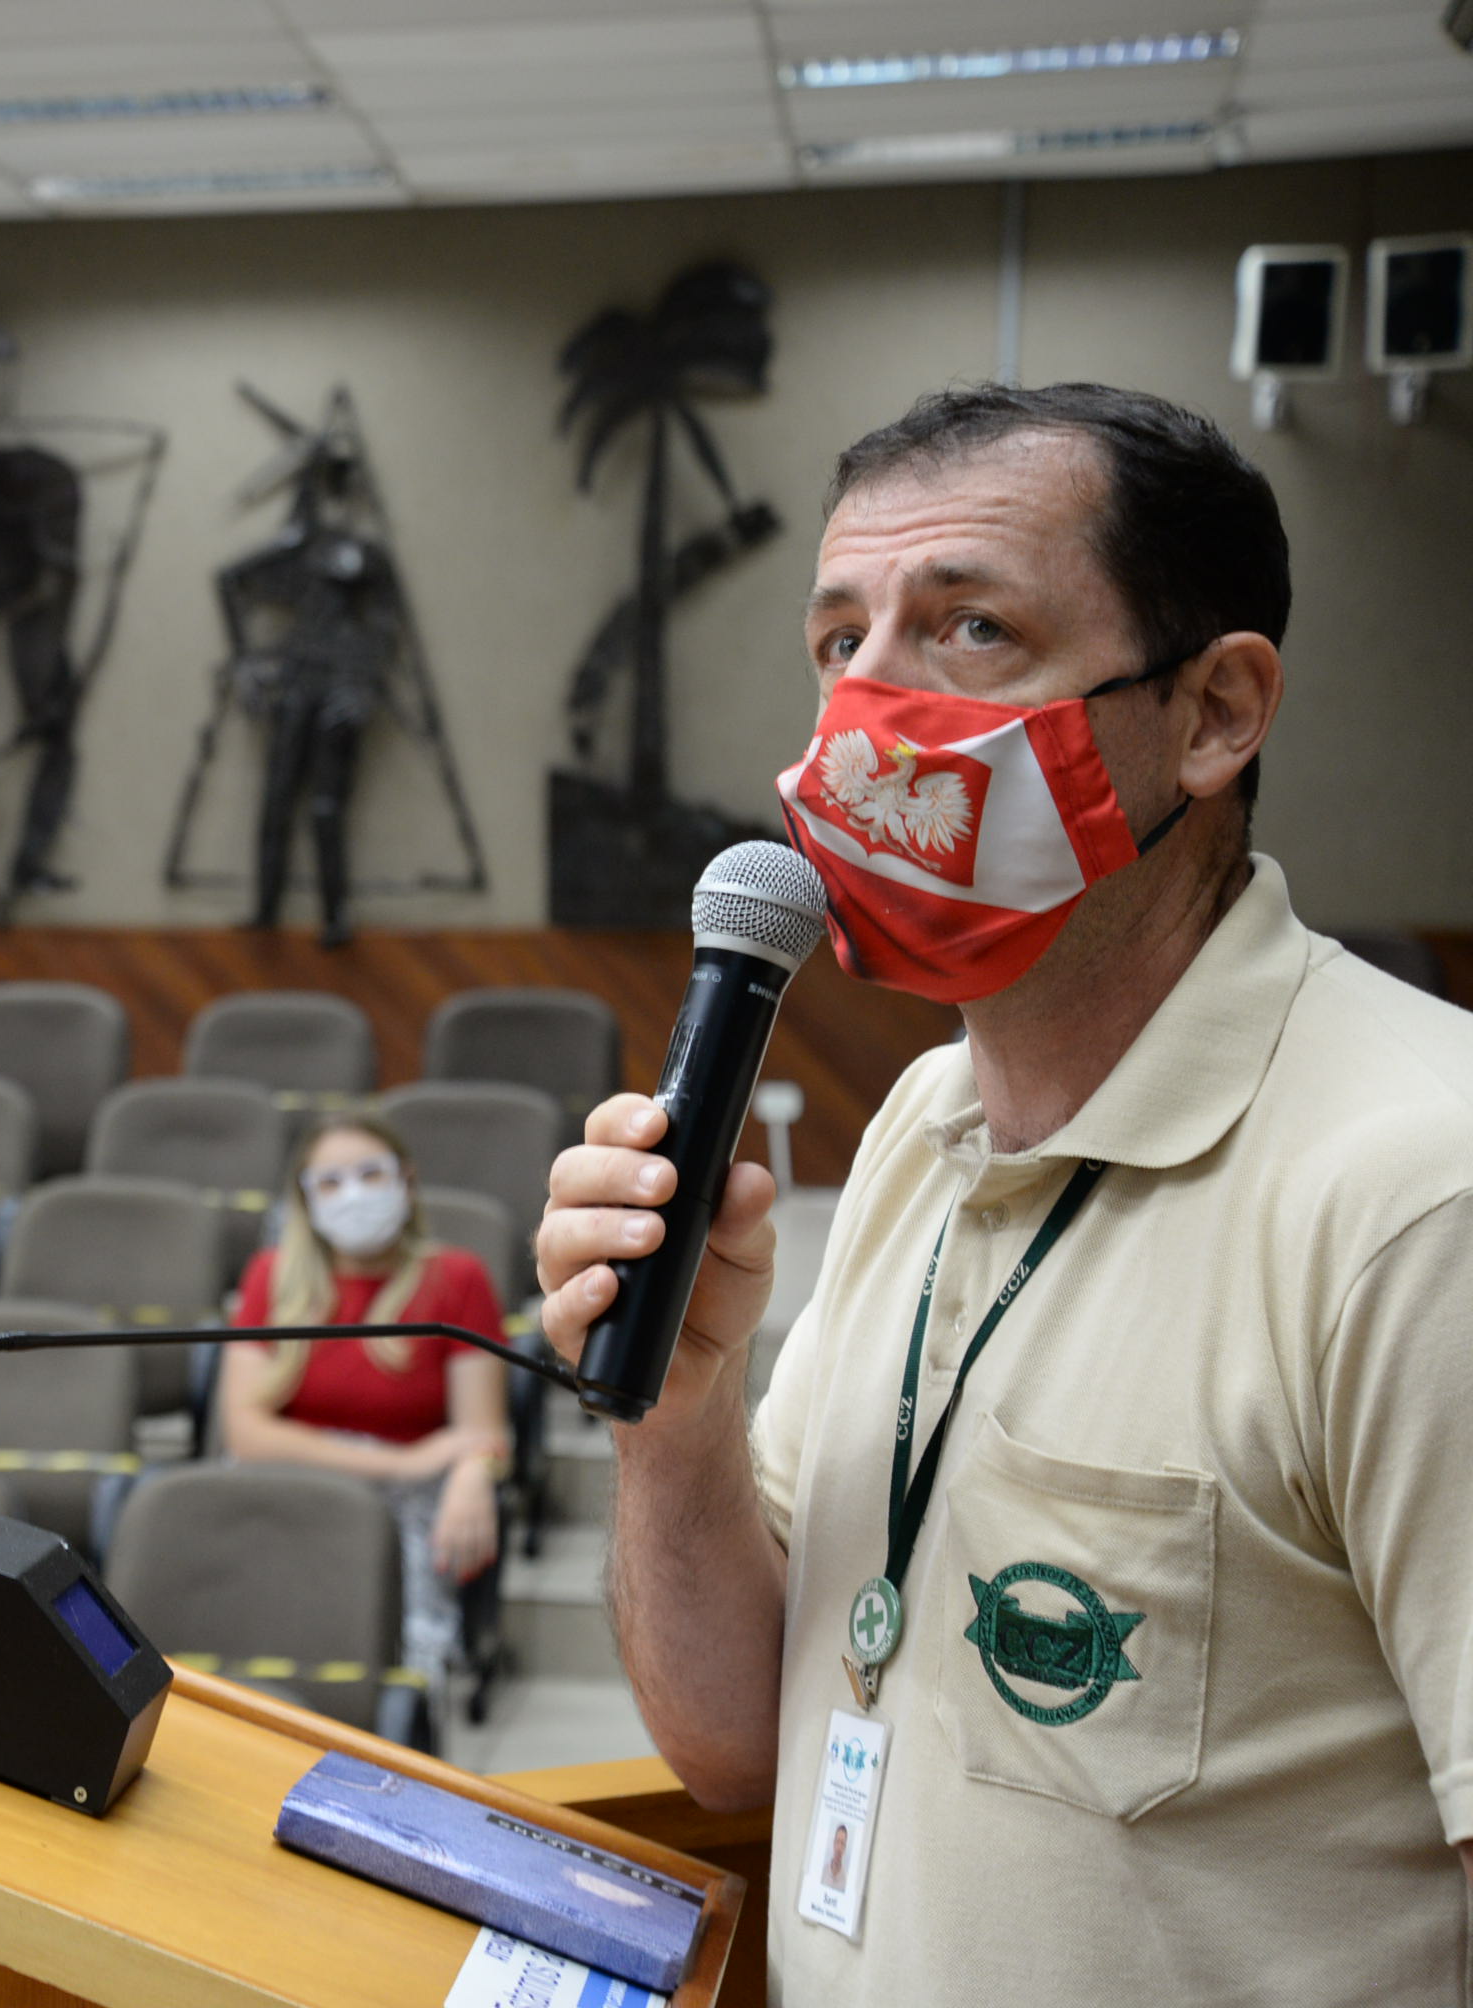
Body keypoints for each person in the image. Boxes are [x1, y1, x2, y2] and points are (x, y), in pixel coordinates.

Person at [534, 383, 1473, 2001]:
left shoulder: (1415, 1187)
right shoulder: (918, 1119)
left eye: (967, 629)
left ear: (1210, 712)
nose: (868, 709)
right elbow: (728, 1736)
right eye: (839, 642)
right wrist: (676, 1409)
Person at [217, 1115, 512, 1682]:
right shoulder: (270, 1276)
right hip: (293, 1497)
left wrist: (476, 1471)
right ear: (305, 1200)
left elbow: (484, 1434)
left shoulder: (457, 1277)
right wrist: (396, 1462)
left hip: (410, 1512)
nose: (352, 1194)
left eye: (370, 1173)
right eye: (330, 1182)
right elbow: (246, 1436)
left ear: (406, 1178)